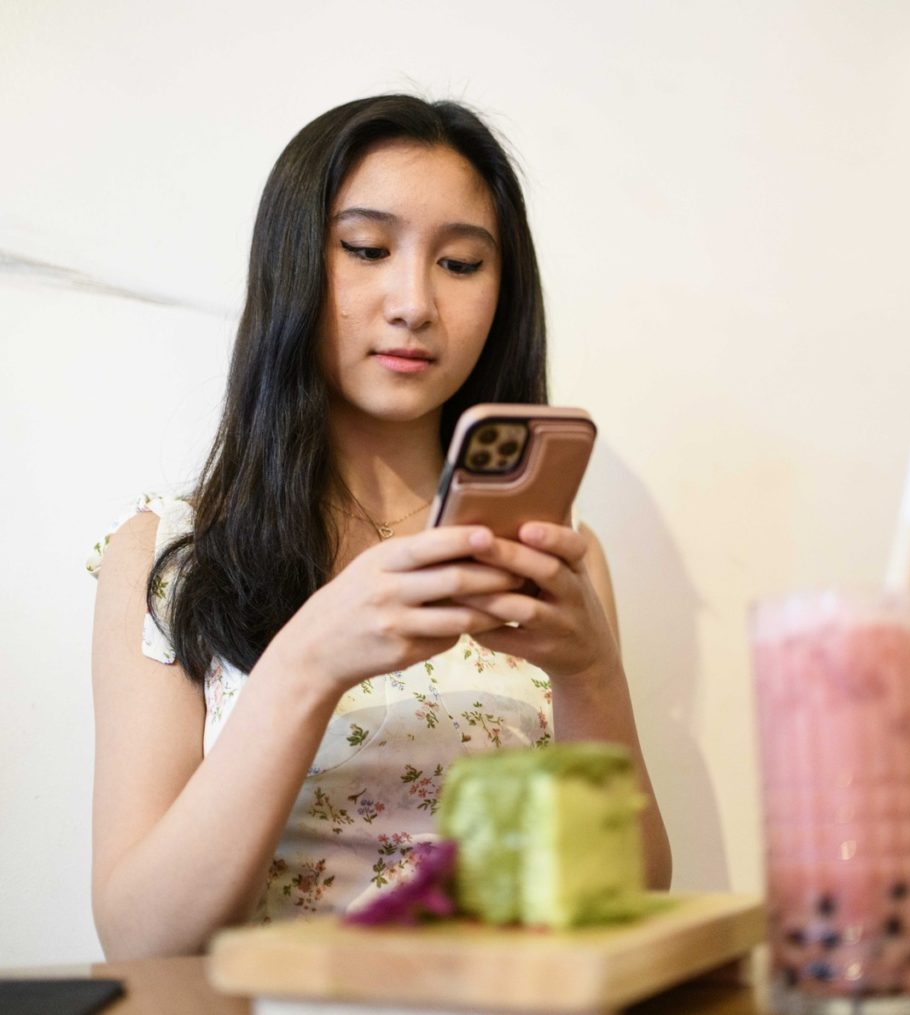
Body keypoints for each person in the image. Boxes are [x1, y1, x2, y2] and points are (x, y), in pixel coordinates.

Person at [88, 95, 672, 960]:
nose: (415, 303)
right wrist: (309, 659)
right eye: (366, 249)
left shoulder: (541, 554)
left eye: (463, 263)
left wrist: (593, 676)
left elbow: (627, 897)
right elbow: (141, 938)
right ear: (293, 266)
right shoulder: (168, 558)